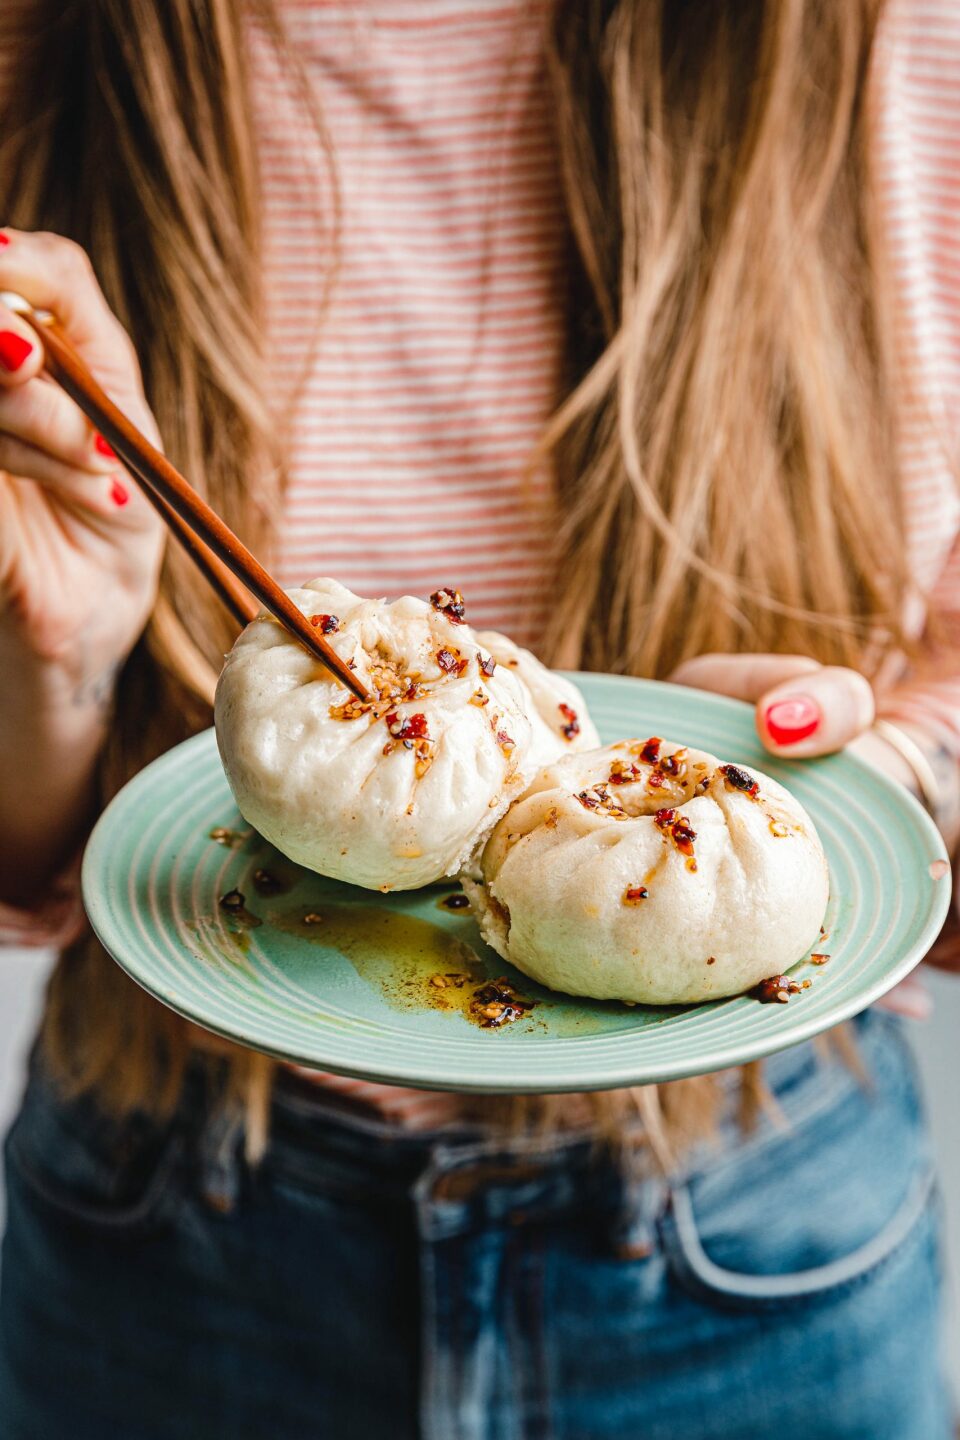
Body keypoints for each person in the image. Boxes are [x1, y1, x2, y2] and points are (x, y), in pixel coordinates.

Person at [0, 0, 958, 1435]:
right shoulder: (43, 45)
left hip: (760, 1234)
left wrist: (894, 771)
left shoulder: (895, 34)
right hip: (167, 1235)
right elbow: (43, 855)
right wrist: (56, 663)